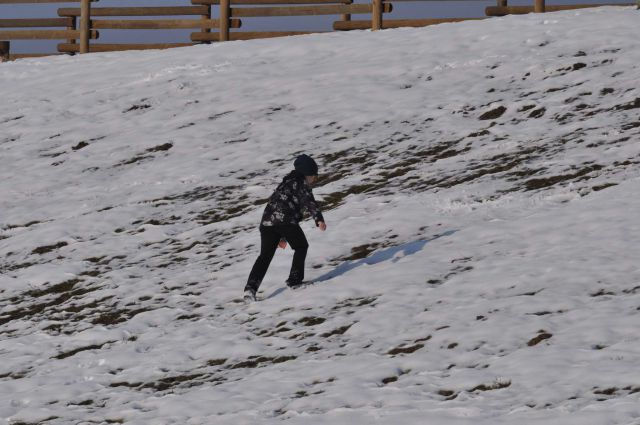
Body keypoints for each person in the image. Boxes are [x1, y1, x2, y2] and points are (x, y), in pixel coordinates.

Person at [244, 154, 327, 302]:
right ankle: (294, 281)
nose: (314, 179)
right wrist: (319, 219)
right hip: (285, 221)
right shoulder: (301, 183)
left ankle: (250, 289)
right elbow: (310, 202)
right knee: (301, 246)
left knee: (264, 256)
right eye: (314, 175)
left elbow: (278, 206)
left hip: (267, 223)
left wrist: (280, 237)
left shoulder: (286, 182)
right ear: (307, 174)